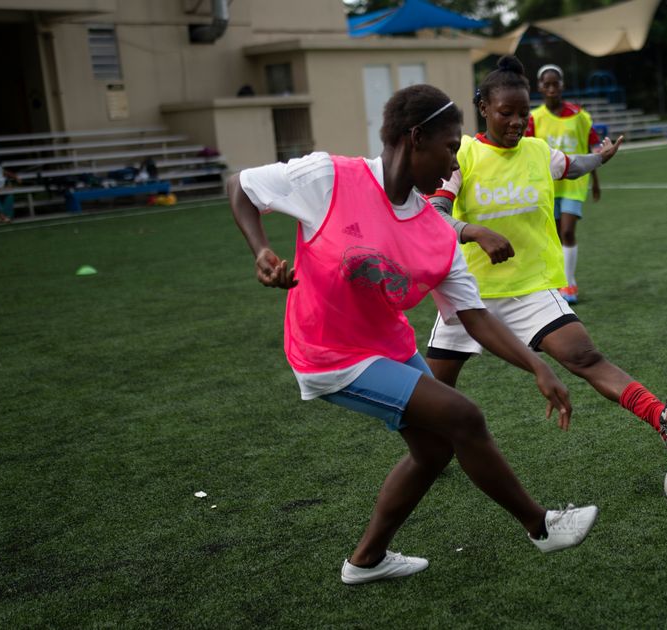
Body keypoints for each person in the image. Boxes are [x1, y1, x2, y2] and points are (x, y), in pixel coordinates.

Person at [227, 84, 599, 585]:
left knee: (436, 448)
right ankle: (541, 526)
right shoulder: (331, 176)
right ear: (414, 137)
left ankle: (366, 561)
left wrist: (537, 365)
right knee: (462, 415)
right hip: (326, 353)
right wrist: (260, 251)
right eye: (449, 148)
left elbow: (477, 317)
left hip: (388, 347)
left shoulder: (436, 230)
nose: (453, 165)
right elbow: (241, 186)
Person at [426, 56, 667, 452]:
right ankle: (428, 452)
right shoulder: (463, 156)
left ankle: (662, 417)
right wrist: (474, 231)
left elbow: (573, 167)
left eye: (523, 113)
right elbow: (434, 214)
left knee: (585, 357)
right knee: (434, 391)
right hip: (469, 296)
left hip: (531, 290)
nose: (517, 122)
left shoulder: (538, 151)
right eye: (506, 113)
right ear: (484, 108)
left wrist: (600, 158)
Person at [524, 63, 602, 304]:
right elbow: (525, 152)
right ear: (539, 87)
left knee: (568, 231)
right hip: (547, 184)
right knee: (555, 235)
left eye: (555, 83)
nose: (551, 88)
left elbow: (592, 149)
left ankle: (569, 283)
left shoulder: (580, 116)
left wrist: (596, 181)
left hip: (574, 183)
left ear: (562, 85)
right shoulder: (534, 118)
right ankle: (557, 282)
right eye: (546, 84)